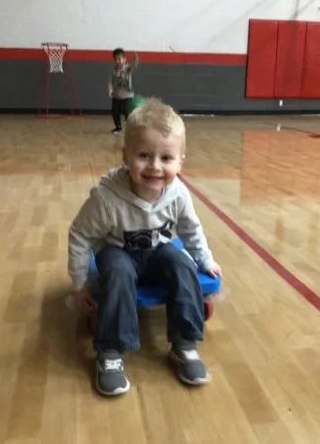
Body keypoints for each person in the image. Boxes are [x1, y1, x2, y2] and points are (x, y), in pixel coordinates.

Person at [68, 97, 222, 397]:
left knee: (181, 264)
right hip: (116, 251)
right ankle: (110, 353)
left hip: (156, 251)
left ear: (180, 162)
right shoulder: (106, 199)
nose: (154, 166)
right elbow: (79, 235)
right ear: (126, 156)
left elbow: (191, 230)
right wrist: (80, 283)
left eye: (166, 158)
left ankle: (184, 345)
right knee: (120, 271)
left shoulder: (178, 193)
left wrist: (204, 259)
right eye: (144, 156)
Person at [108, 47, 139, 134]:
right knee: (115, 112)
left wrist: (135, 59)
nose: (117, 61)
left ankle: (130, 128)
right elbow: (110, 81)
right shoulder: (114, 70)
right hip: (117, 96)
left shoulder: (127, 68)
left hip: (127, 96)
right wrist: (110, 90)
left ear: (125, 59)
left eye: (119, 59)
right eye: (115, 59)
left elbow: (134, 66)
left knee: (127, 113)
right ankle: (118, 127)